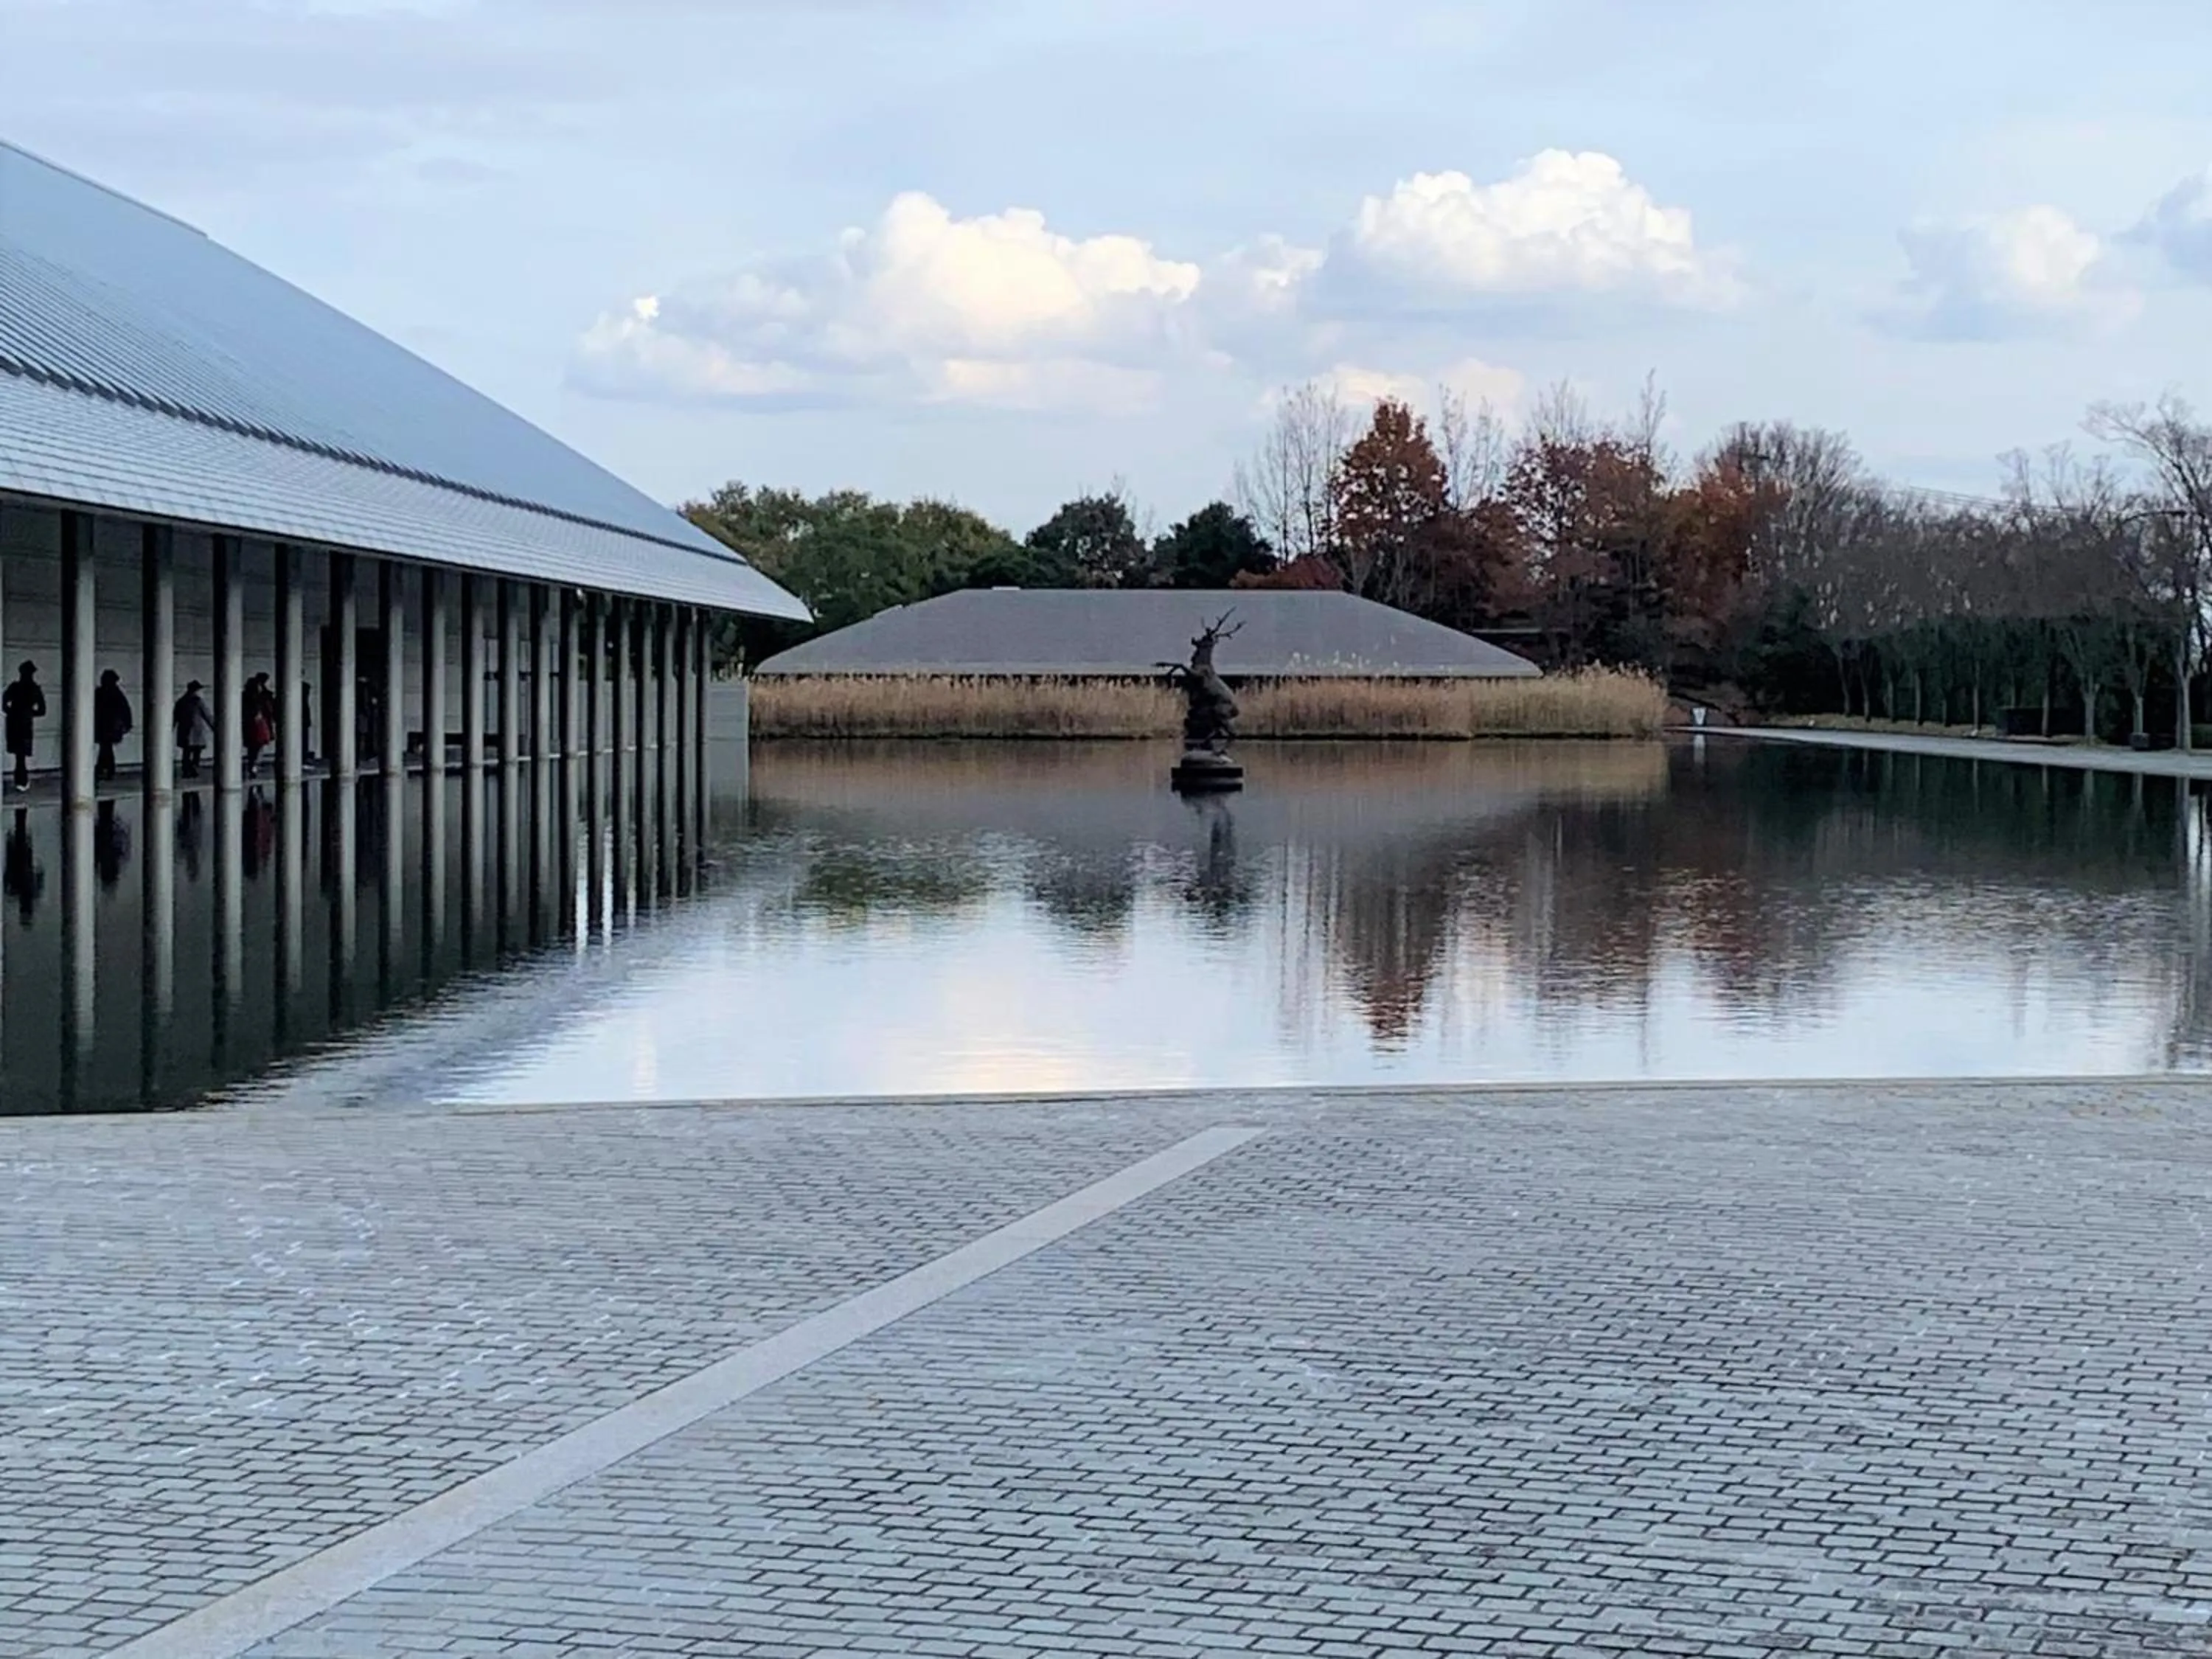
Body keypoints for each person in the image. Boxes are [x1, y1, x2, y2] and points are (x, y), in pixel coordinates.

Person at [3, 661, 45, 793]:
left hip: (15, 723)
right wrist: (29, 713)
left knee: (19, 755)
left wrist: (12, 712)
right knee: (21, 755)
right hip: (25, 724)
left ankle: (20, 780)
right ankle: (21, 780)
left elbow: (4, 704)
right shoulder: (34, 688)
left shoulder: (15, 687)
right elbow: (42, 710)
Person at [94, 669, 133, 783]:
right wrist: (127, 724)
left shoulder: (102, 693)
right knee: (106, 748)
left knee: (105, 747)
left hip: (106, 726)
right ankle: (105, 769)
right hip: (110, 726)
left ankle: (103, 768)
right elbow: (125, 710)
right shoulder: (116, 693)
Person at [173, 679, 214, 779]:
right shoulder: (199, 702)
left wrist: (171, 727)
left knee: (186, 752)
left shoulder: (181, 701)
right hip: (197, 732)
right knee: (197, 752)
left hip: (185, 731)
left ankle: (187, 769)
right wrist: (214, 727)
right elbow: (208, 716)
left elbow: (175, 717)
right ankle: (193, 768)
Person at [244, 672, 276, 778]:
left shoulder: (247, 696)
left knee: (253, 746)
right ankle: (255, 765)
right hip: (260, 725)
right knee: (259, 745)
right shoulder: (262, 697)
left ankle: (253, 764)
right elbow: (269, 711)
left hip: (252, 725)